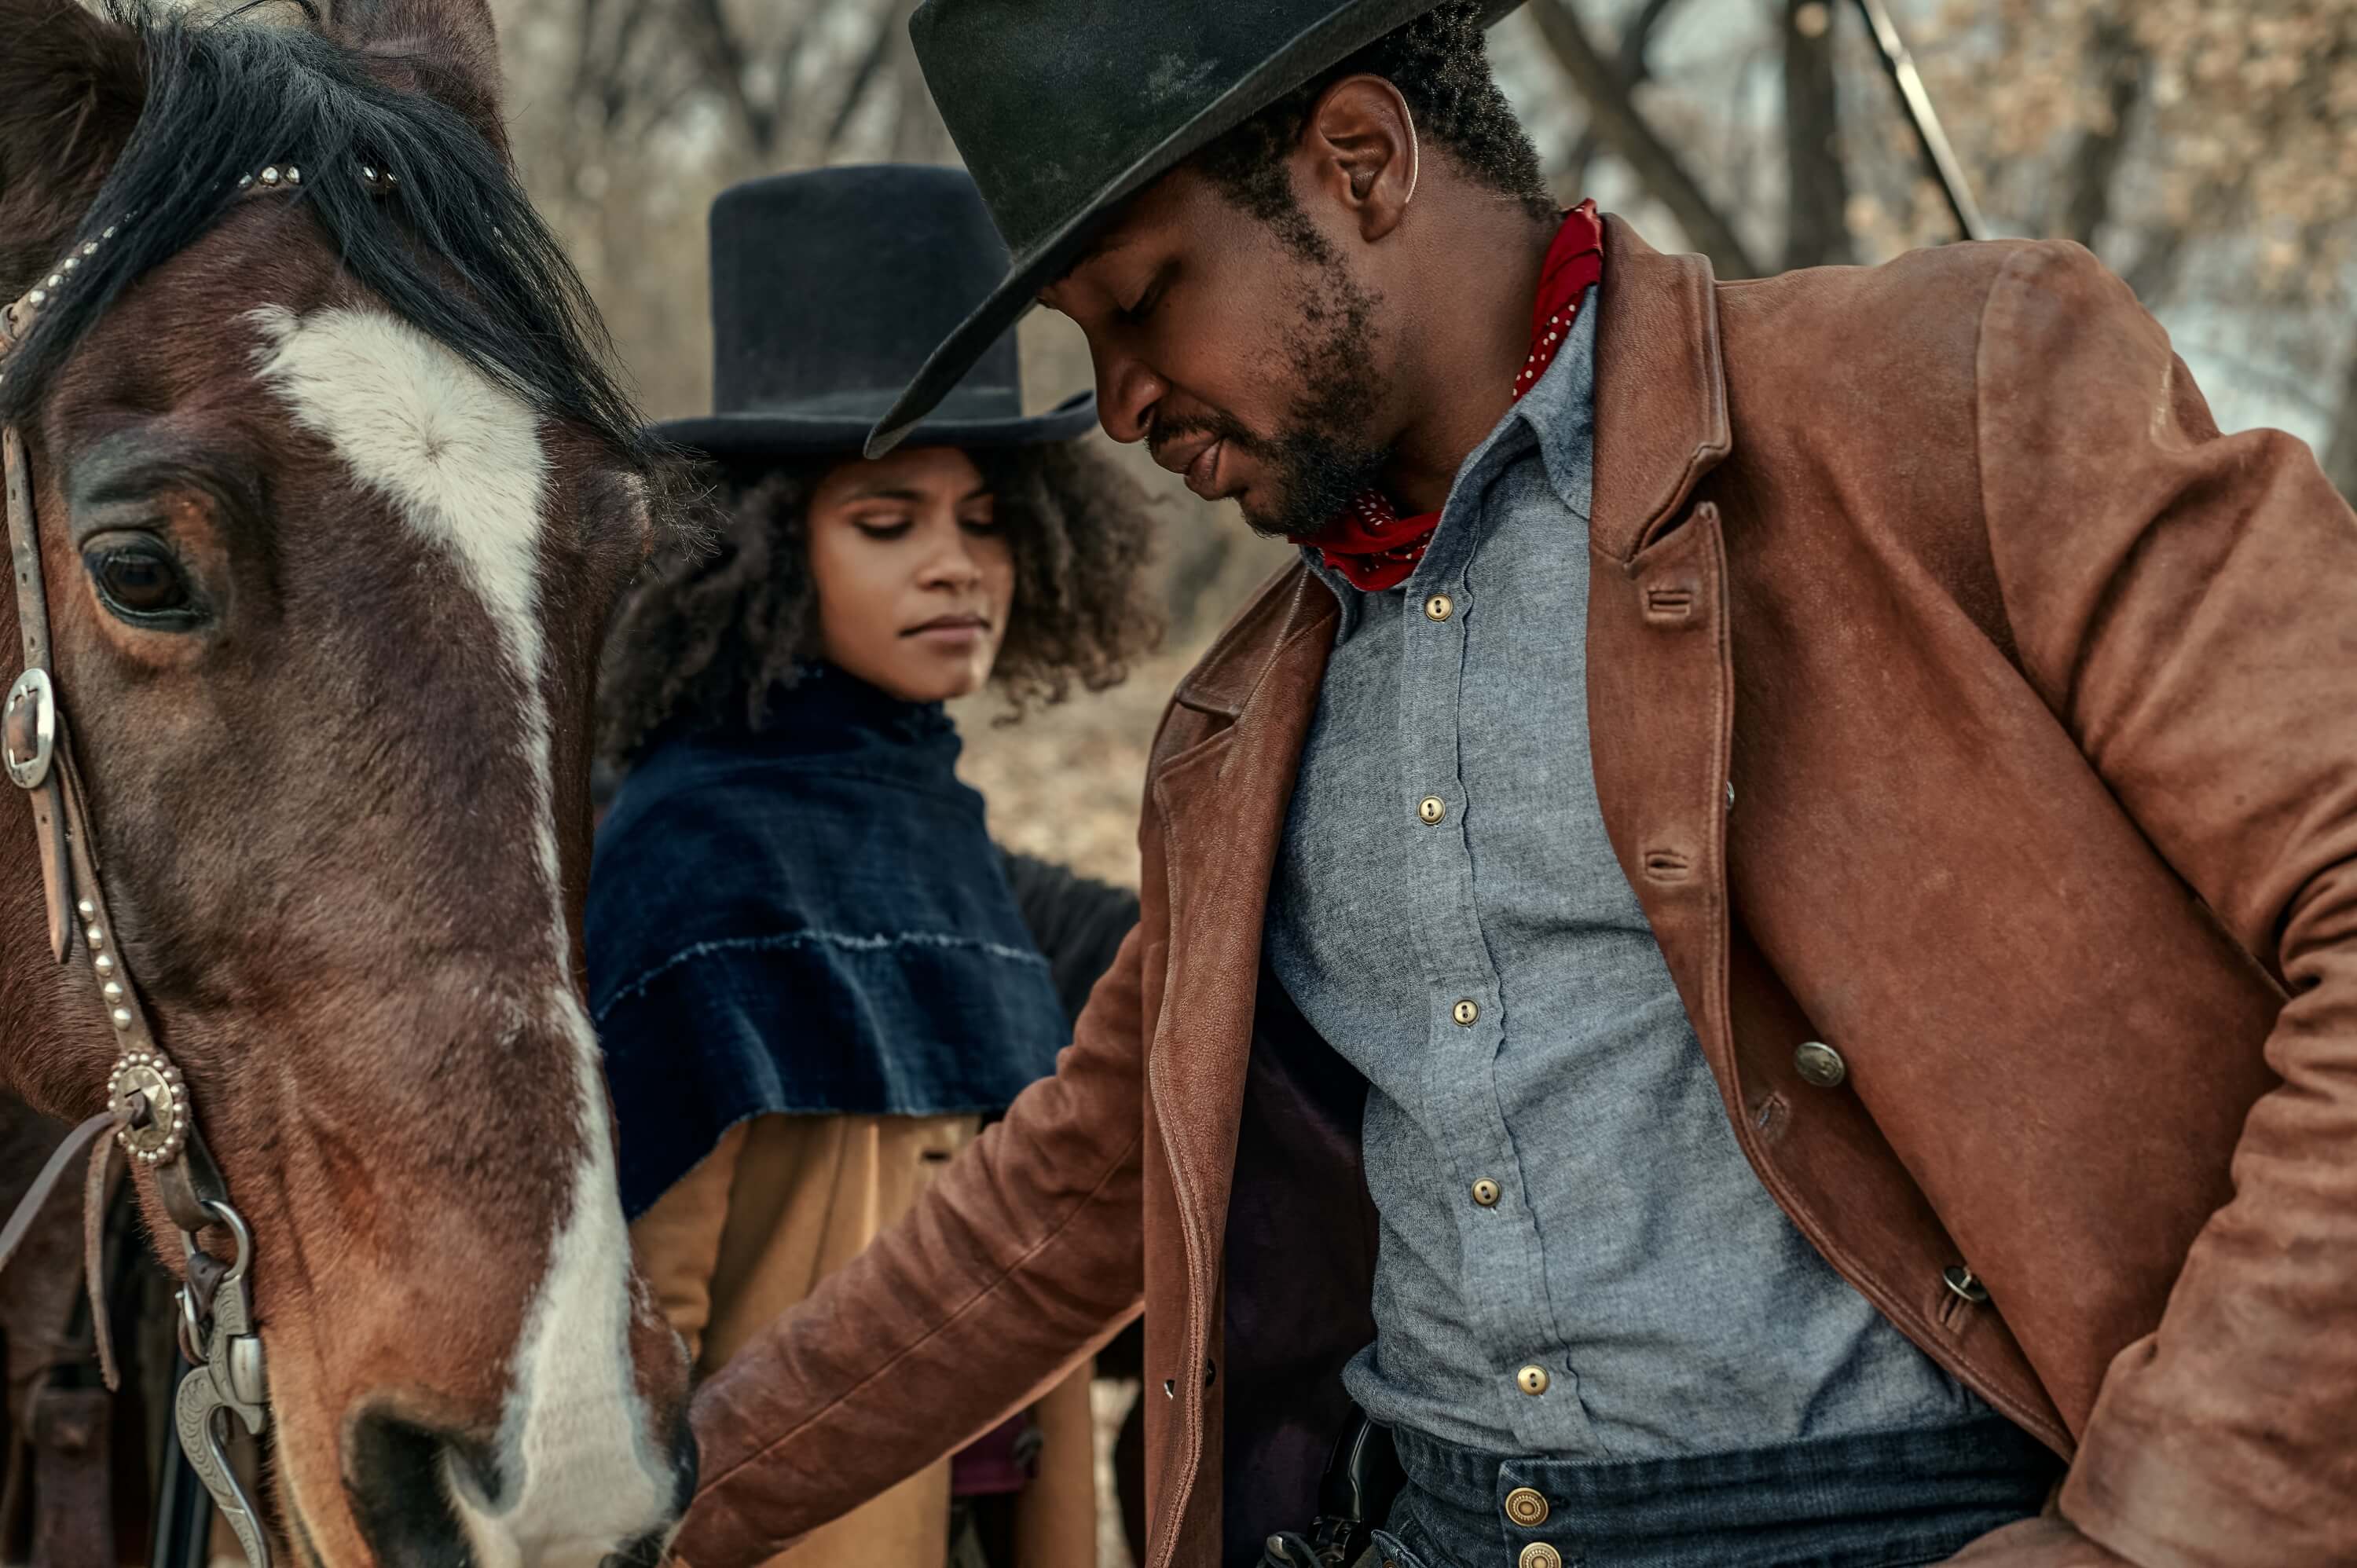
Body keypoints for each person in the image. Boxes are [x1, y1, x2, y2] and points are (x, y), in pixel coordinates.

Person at [668, 5, 2357, 1568]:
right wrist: (648, 1504)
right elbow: (1076, 1194)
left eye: (1142, 300)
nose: (1116, 405)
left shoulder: (1961, 390)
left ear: (1361, 159)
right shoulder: (1240, 719)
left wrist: (2172, 1519)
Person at [585, 164, 1159, 1568]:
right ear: (771, 552)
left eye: (983, 518)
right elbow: (641, 1307)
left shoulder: (930, 814)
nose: (957, 566)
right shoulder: (694, 838)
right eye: (888, 523)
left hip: (985, 1513)